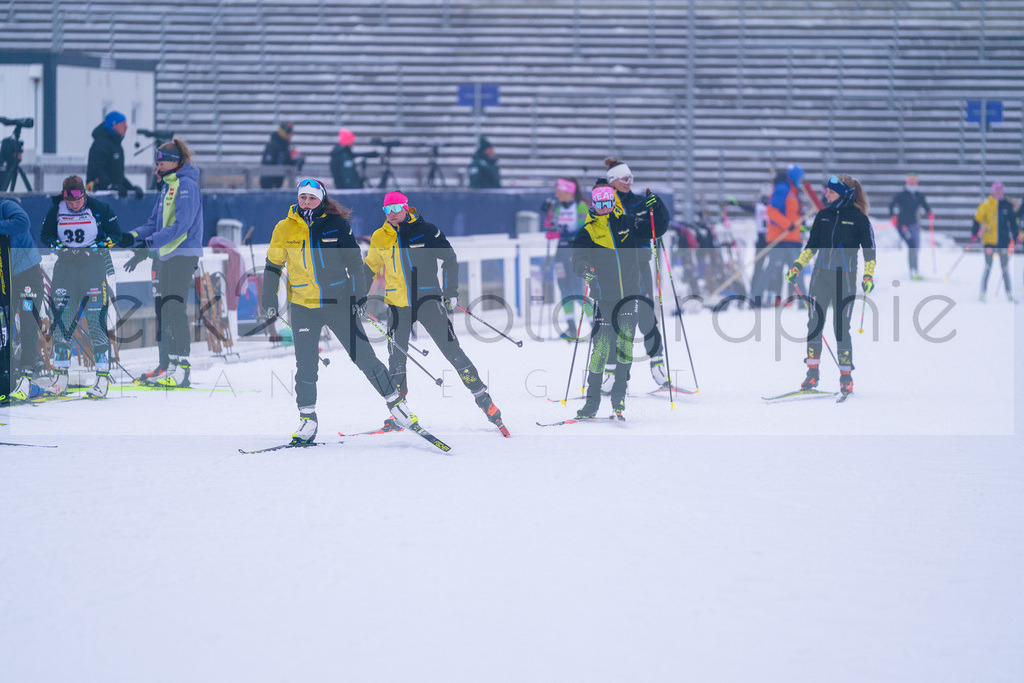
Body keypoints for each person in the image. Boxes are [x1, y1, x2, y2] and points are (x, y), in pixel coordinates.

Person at [261, 179, 419, 444]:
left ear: (321, 199)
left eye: (312, 198)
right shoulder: (284, 228)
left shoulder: (337, 225)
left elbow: (355, 263)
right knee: (306, 365)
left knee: (364, 356)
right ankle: (307, 419)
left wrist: (359, 296)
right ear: (298, 199)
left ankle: (395, 403)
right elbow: (273, 266)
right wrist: (267, 298)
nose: (307, 202)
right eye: (303, 198)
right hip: (303, 306)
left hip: (339, 302)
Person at [364, 191, 508, 436]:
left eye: (396, 208)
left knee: (453, 351)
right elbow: (369, 268)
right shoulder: (380, 236)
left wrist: (451, 291)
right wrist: (357, 296)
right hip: (398, 305)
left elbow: (450, 258)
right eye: (387, 210)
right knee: (396, 358)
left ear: (406, 208)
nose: (391, 214)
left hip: (429, 302)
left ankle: (485, 401)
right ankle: (399, 412)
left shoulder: (426, 230)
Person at [23, 175, 124, 400]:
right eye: (69, 201)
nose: (74, 205)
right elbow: (46, 235)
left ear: (84, 195)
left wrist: (96, 248)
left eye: (78, 200)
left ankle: (102, 378)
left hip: (93, 270)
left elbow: (116, 235)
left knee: (97, 324)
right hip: (66, 271)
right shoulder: (56, 210)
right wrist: (60, 247)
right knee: (62, 324)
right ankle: (61, 378)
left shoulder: (99, 208)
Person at [572, 181, 663, 418]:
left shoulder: (628, 223)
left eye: (608, 203)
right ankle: (591, 404)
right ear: (594, 205)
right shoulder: (588, 231)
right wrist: (584, 269)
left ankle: (618, 399)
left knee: (624, 347)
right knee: (601, 349)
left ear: (613, 203)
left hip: (630, 296)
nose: (605, 207)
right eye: (600, 204)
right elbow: (577, 258)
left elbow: (655, 229)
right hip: (604, 297)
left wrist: (658, 208)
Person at [121, 138, 204, 387]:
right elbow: (153, 222)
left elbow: (181, 226)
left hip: (182, 254)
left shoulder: (186, 185)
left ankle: (182, 367)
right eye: (156, 161)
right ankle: (169, 364)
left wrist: (149, 244)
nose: (157, 166)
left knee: (174, 308)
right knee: (166, 310)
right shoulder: (169, 185)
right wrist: (132, 236)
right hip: (167, 255)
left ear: (174, 162)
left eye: (161, 161)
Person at [785, 174, 876, 397]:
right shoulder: (823, 216)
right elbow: (811, 246)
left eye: (831, 192)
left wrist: (868, 276)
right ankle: (812, 373)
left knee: (840, 328)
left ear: (843, 194)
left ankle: (846, 378)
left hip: (844, 279)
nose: (826, 194)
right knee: (814, 324)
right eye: (827, 190)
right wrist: (797, 265)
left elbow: (870, 252)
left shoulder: (859, 219)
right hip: (820, 277)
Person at [603, 157, 670, 388]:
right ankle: (616, 374)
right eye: (624, 178)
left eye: (630, 178)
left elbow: (657, 229)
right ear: (612, 181)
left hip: (639, 264)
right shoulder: (604, 202)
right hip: (614, 266)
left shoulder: (639, 203)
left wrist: (658, 207)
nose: (628, 182)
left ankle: (658, 364)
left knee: (644, 312)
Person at [0, 198, 44, 382]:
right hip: (5, 279)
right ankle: (8, 370)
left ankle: (29, 368)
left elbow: (23, 221)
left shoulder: (5, 206)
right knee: (5, 325)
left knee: (28, 320)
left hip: (27, 275)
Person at [542, 177, 589, 339]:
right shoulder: (558, 208)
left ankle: (595, 325)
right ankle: (571, 328)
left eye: (559, 190)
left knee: (578, 290)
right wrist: (548, 216)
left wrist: (561, 234)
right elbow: (551, 226)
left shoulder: (581, 206)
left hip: (575, 251)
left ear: (569, 191)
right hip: (560, 252)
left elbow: (582, 229)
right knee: (564, 289)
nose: (557, 193)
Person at [757, 165, 807, 306]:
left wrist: (801, 227)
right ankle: (756, 299)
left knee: (797, 272)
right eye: (800, 177)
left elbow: (795, 214)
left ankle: (803, 303)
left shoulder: (795, 191)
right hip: (781, 239)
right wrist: (787, 224)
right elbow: (771, 211)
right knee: (772, 271)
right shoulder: (783, 189)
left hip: (793, 239)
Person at [971, 181, 1019, 302]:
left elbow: (1013, 223)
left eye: (1000, 189)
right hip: (989, 242)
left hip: (1003, 242)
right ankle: (982, 292)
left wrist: (1015, 237)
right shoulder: (986, 204)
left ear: (1002, 190)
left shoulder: (1007, 205)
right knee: (988, 266)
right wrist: (974, 234)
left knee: (1005, 268)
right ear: (993, 190)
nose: (998, 191)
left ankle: (1009, 293)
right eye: (996, 189)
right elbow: (977, 219)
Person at [86, 111, 144, 199]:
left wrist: (131, 188)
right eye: (123, 124)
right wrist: (110, 186)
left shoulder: (116, 144)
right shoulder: (100, 144)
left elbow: (117, 174)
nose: (126, 127)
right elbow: (96, 169)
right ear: (114, 125)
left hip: (113, 194)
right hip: (99, 194)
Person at [888, 173, 933, 280]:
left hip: (914, 225)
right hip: (902, 225)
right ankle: (913, 271)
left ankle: (915, 270)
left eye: (914, 182)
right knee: (912, 246)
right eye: (910, 181)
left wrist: (929, 213)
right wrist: (893, 217)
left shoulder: (918, 195)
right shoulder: (901, 194)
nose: (912, 184)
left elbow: (925, 205)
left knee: (916, 247)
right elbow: (891, 206)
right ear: (907, 182)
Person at [259, 122, 302, 189]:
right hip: (269, 185)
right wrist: (271, 183)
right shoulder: (273, 145)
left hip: (278, 184)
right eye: (288, 133)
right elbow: (267, 165)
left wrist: (295, 160)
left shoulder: (285, 146)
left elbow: (287, 163)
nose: (290, 136)